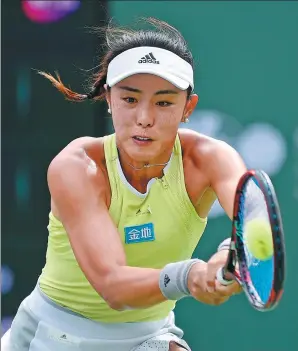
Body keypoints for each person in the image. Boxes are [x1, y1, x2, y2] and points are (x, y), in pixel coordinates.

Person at [2, 18, 245, 351]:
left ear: (188, 107)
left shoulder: (210, 159)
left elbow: (254, 218)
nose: (144, 117)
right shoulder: (77, 167)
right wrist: (190, 276)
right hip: (53, 335)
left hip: (150, 334)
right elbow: (112, 285)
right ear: (108, 98)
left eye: (163, 102)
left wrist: (227, 255)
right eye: (130, 99)